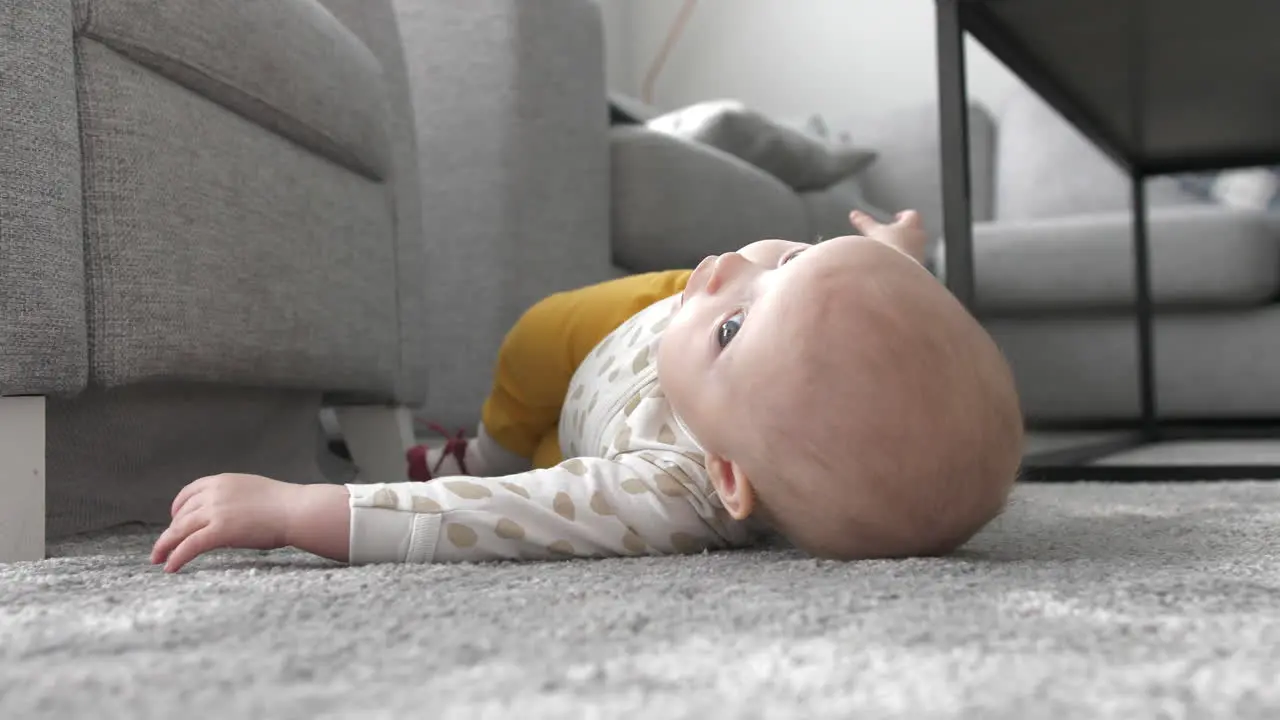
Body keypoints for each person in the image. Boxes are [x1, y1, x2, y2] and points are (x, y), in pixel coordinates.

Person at [151, 210, 1024, 572]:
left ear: (728, 477)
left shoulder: (665, 497)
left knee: (528, 464)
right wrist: (898, 253)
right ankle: (486, 434)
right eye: (790, 258)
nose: (733, 264)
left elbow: (491, 518)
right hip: (636, 321)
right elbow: (859, 310)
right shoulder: (743, 325)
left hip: (584, 435)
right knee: (539, 334)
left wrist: (295, 511)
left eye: (737, 326)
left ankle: (478, 452)